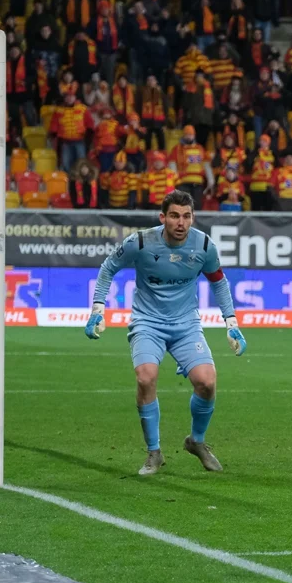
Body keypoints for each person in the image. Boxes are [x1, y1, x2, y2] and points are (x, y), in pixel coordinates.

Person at [84, 191, 247, 475]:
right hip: (147, 322)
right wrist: (98, 308)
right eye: (174, 216)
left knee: (207, 382)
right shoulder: (140, 242)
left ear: (192, 218)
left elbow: (219, 282)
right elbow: (108, 267)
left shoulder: (204, 245)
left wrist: (231, 323)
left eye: (186, 216)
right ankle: (154, 452)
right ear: (163, 217)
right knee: (146, 377)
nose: (181, 222)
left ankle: (196, 441)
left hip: (186, 325)